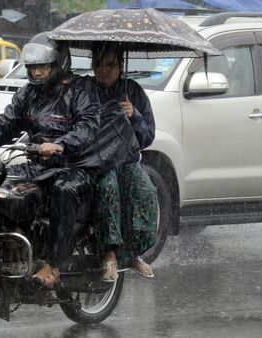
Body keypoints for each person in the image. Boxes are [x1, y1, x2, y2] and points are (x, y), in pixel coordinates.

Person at [0, 32, 100, 288]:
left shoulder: (80, 90)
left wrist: (60, 144)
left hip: (75, 166)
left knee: (64, 190)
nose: (37, 73)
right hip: (37, 165)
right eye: (33, 68)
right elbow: (5, 123)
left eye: (42, 66)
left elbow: (87, 127)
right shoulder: (28, 94)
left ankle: (53, 264)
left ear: (58, 64)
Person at [89, 43, 159, 281]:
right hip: (99, 162)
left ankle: (132, 252)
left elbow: (147, 136)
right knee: (109, 189)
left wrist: (134, 116)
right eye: (99, 65)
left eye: (110, 65)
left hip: (127, 162)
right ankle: (109, 254)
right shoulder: (86, 91)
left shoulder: (133, 92)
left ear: (120, 66)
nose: (104, 70)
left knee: (146, 191)